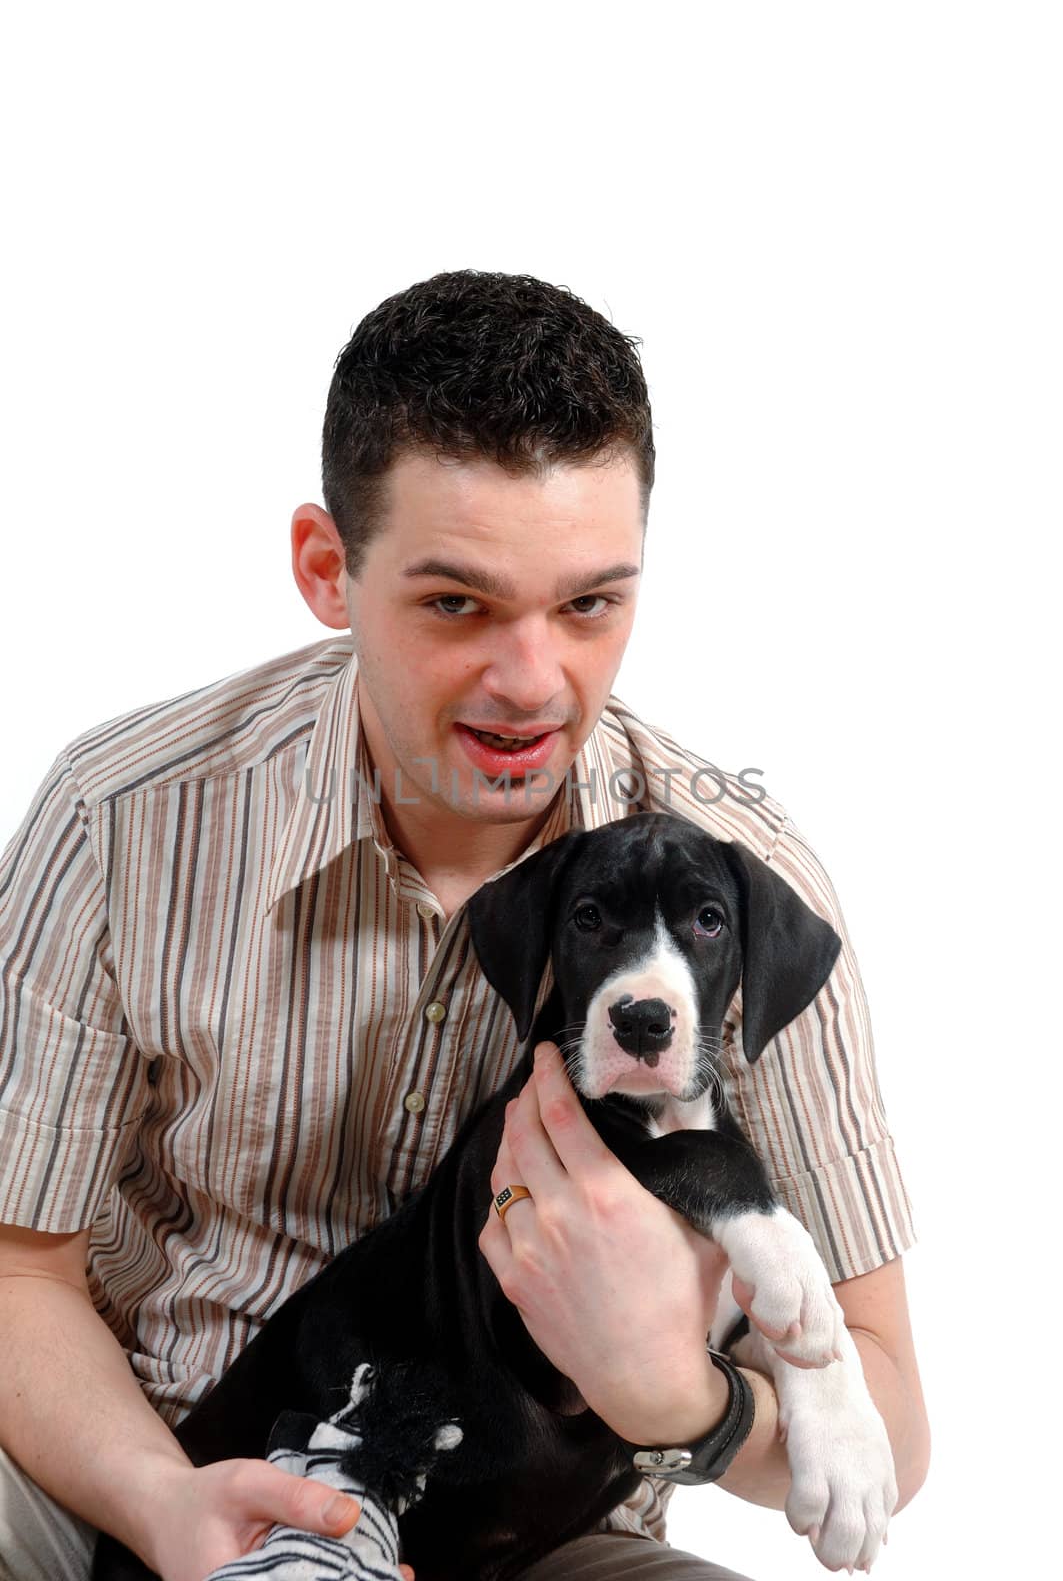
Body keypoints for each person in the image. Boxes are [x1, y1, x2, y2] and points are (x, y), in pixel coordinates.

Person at [0, 269, 929, 1581]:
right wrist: (165, 1507)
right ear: (329, 569)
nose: (532, 681)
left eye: (590, 604)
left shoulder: (746, 892)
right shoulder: (122, 819)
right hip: (153, 1459)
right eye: (458, 604)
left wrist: (686, 1403)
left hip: (542, 1526)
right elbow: (15, 1279)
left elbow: (889, 1401)